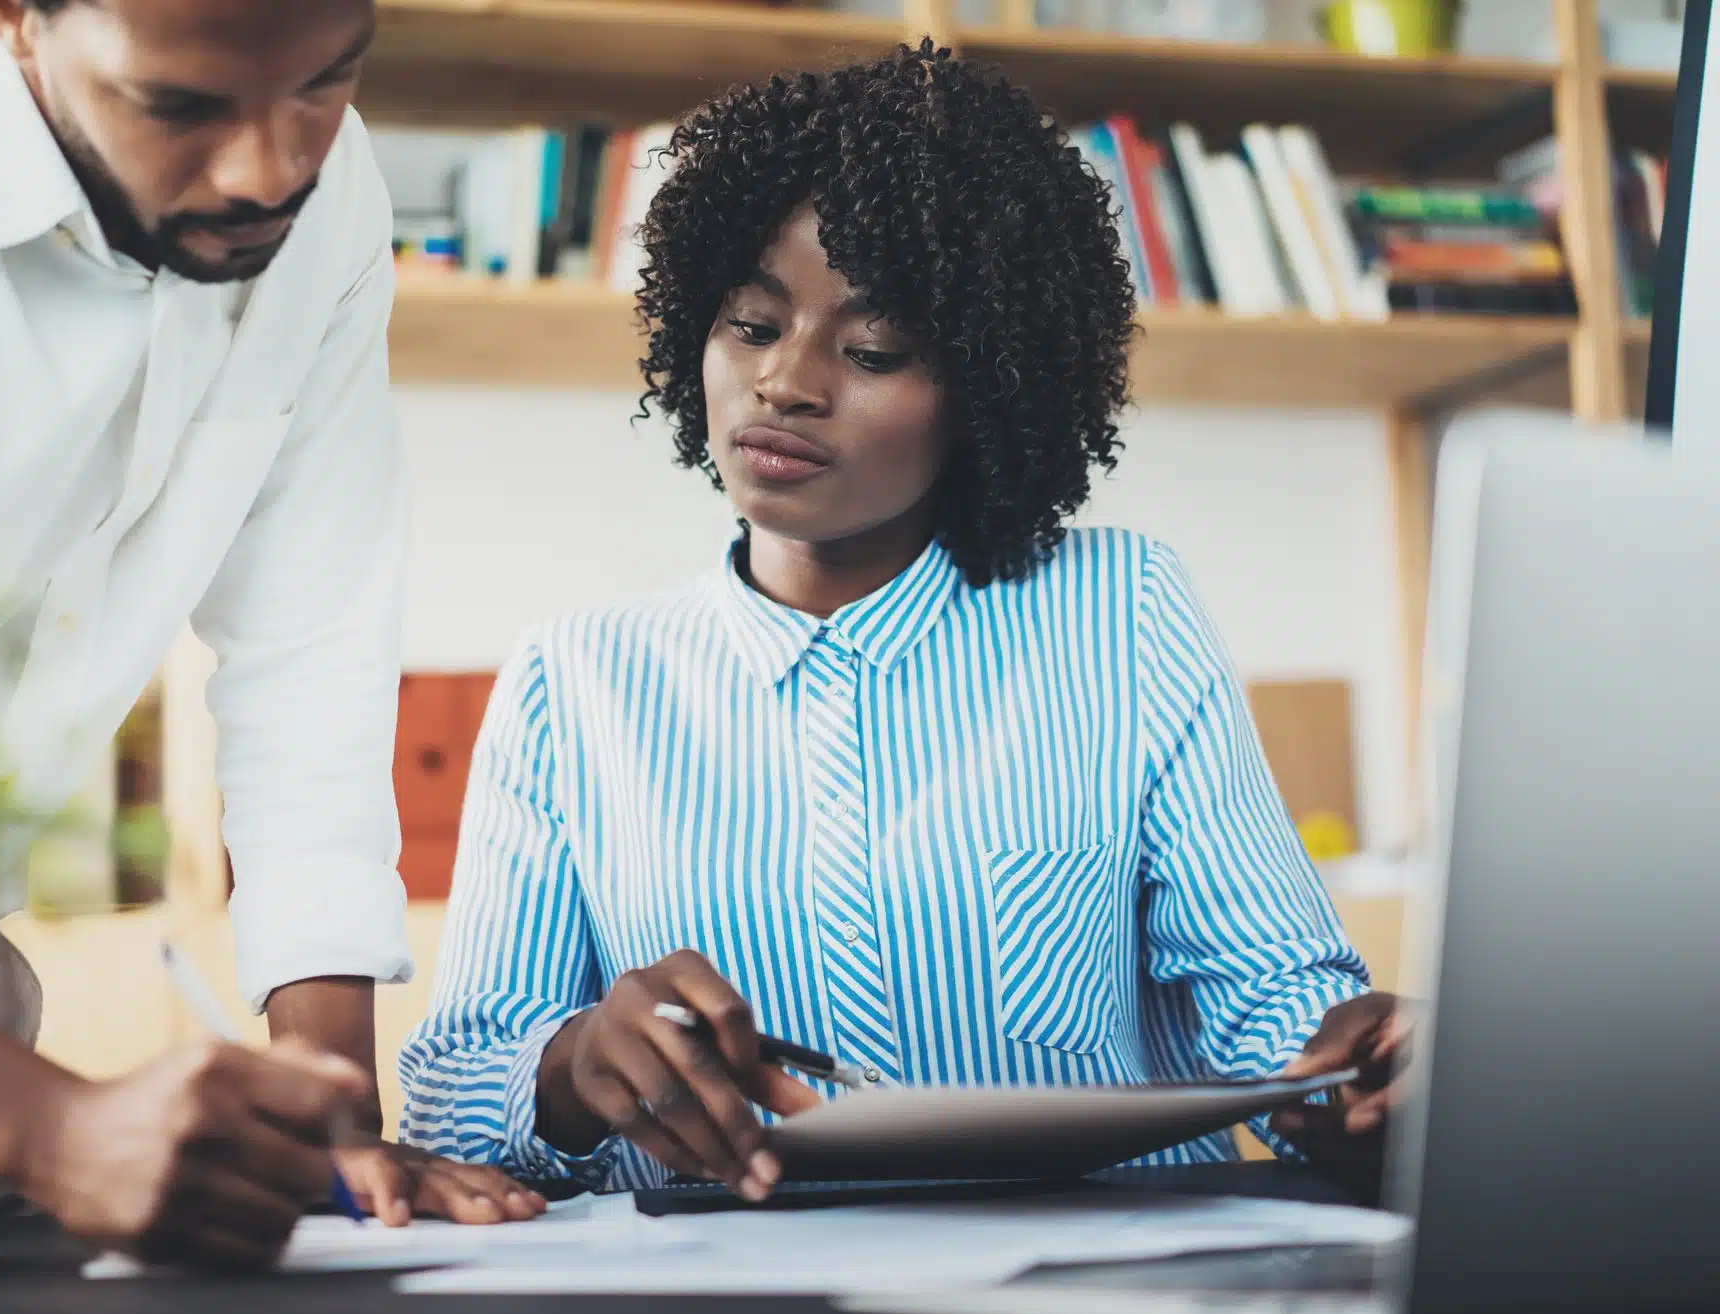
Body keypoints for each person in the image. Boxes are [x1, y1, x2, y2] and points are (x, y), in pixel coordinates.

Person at [400, 43, 1408, 1203]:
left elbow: (1278, 1013)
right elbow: (445, 1105)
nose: (787, 382)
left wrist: (1361, 1070)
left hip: (1098, 1290)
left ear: (987, 390)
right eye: (748, 323)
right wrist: (573, 1069)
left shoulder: (1119, 616)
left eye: (872, 350)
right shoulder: (572, 682)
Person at [0, 0, 542, 1270]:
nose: (273, 168)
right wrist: (48, 1128)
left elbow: (308, 646)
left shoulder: (326, 199)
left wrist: (323, 1113)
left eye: (325, 83)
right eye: (183, 106)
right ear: (14, 20)